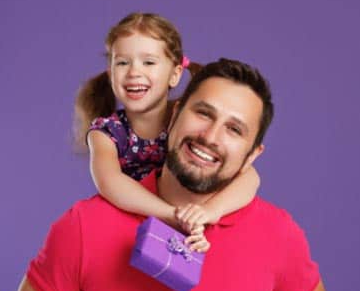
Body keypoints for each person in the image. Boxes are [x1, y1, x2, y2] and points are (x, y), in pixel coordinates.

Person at [6, 58, 334, 291]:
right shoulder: (84, 227)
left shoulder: (277, 234)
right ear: (175, 114)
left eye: (234, 129)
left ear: (252, 155)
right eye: (203, 113)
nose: (210, 136)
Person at [74, 12, 260, 250]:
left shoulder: (187, 122)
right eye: (122, 62)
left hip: (190, 223)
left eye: (148, 62)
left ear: (175, 74)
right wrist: (173, 215)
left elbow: (250, 177)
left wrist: (208, 213)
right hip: (132, 225)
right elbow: (109, 182)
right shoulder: (106, 132)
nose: (133, 72)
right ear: (110, 74)